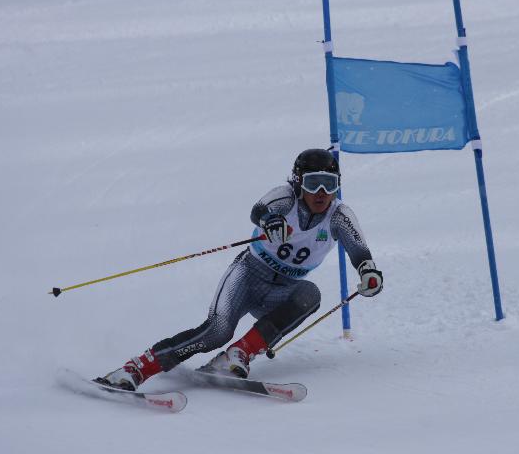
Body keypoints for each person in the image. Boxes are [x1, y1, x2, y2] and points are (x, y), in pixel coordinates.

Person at [96, 148, 383, 391]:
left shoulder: (339, 216)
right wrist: (269, 220)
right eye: (313, 183)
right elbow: (259, 210)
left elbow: (360, 251)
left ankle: (237, 355)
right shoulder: (286, 198)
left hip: (282, 292)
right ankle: (134, 370)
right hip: (248, 275)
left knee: (310, 294)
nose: (322, 193)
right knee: (216, 332)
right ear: (298, 182)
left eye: (329, 184)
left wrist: (368, 273)